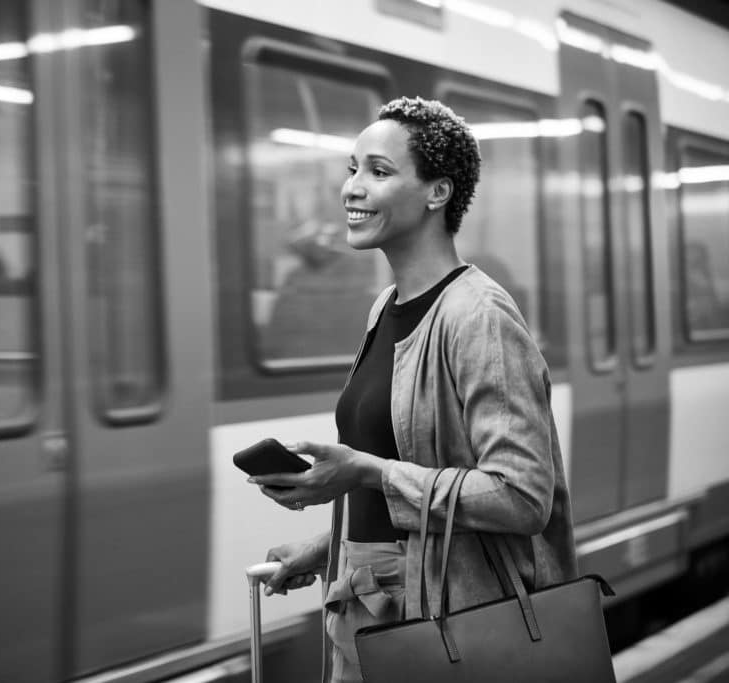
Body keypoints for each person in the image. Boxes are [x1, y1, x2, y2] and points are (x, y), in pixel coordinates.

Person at [247, 97, 577, 683]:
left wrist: (365, 473)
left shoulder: (479, 316)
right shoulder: (387, 309)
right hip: (372, 610)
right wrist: (326, 545)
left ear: (437, 193)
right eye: (352, 169)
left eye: (378, 171)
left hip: (441, 629)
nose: (352, 188)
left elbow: (523, 496)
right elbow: (412, 478)